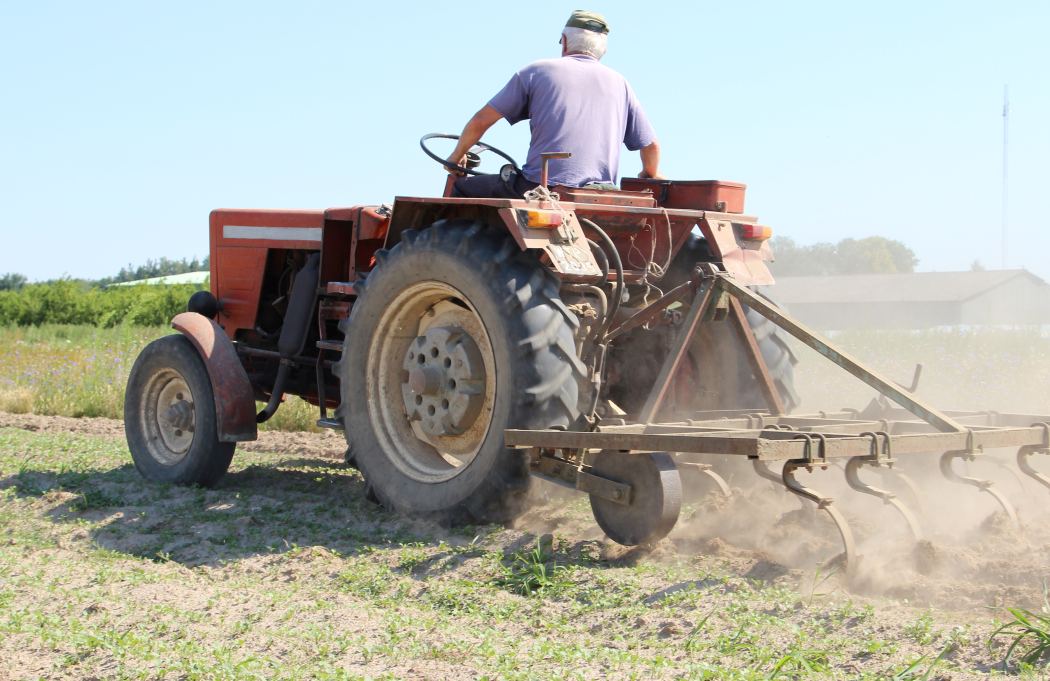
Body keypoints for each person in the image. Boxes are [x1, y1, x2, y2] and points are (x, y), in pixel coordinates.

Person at [446, 10, 663, 199]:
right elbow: (651, 146)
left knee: (463, 189)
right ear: (602, 50)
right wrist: (649, 172)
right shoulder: (620, 83)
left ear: (565, 41)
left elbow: (481, 121)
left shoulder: (536, 72)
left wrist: (456, 156)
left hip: (541, 189)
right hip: (600, 193)